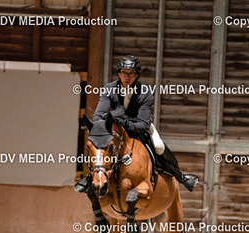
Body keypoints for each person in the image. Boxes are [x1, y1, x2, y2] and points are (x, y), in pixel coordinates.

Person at [75, 55, 199, 194]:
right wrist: (112, 122)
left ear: (137, 75)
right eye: (124, 72)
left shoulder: (145, 93)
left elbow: (142, 125)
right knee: (97, 146)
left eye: (131, 73)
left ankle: (181, 176)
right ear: (119, 74)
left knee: (158, 146)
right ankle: (88, 178)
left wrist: (124, 122)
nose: (127, 77)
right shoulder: (109, 89)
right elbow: (98, 115)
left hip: (137, 127)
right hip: (115, 129)